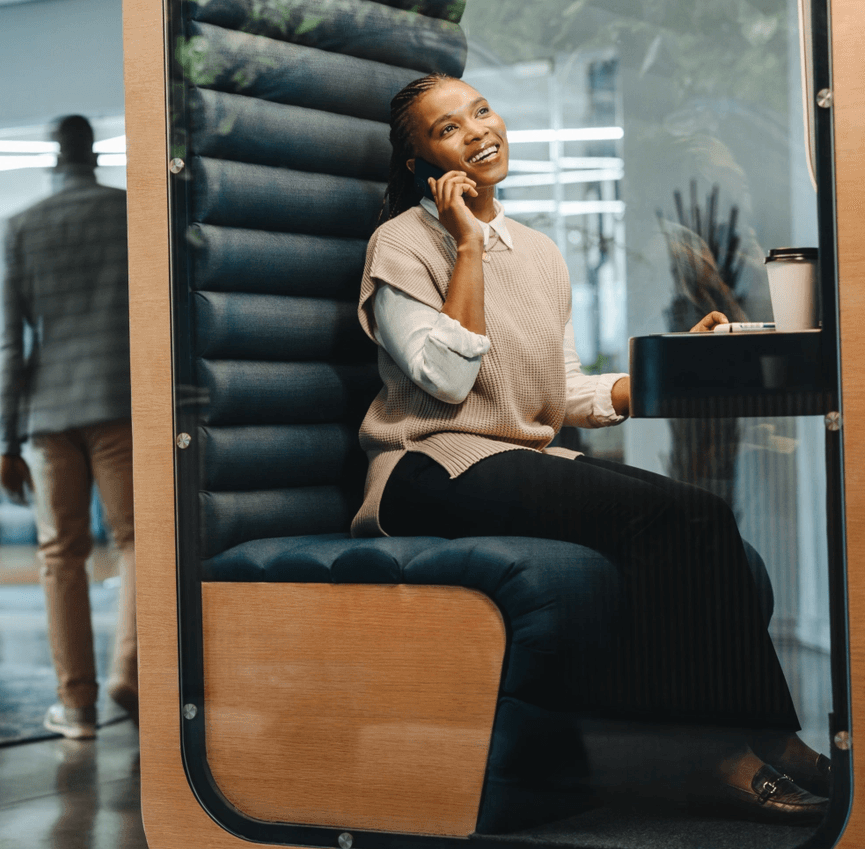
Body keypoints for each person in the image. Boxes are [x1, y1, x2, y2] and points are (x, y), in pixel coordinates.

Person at [354, 73, 830, 825]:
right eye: (448, 129)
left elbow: (564, 389)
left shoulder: (539, 252)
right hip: (430, 465)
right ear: (420, 164)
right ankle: (724, 753)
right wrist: (468, 247)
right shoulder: (403, 243)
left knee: (709, 527)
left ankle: (767, 734)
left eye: (481, 111)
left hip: (515, 459)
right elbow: (446, 379)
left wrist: (672, 368)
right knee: (687, 516)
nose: (478, 130)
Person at [0, 115, 136, 740]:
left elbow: (10, 344)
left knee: (61, 556)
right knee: (135, 542)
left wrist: (6, 438)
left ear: (54, 157)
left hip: (49, 415)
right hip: (121, 403)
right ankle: (129, 672)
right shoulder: (131, 213)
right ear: (95, 155)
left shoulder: (22, 227)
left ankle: (75, 707)